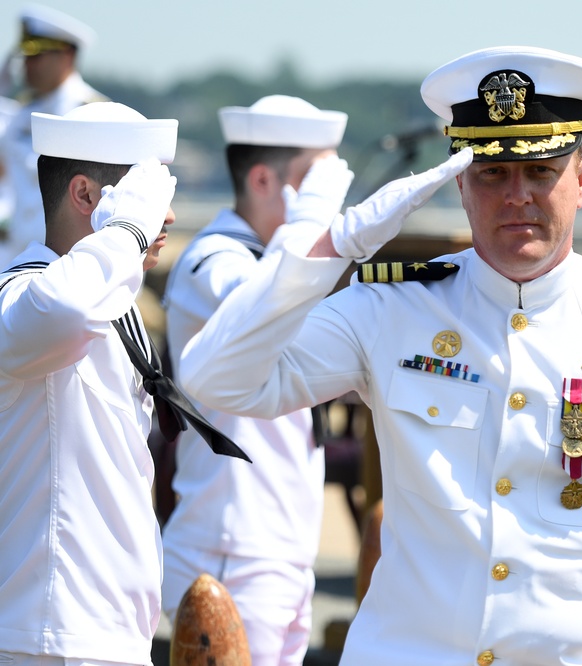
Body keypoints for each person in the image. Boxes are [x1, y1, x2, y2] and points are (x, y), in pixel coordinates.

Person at [180, 45, 582, 665]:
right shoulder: (390, 308)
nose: (516, 196)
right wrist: (325, 248)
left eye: (540, 171)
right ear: (460, 185)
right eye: (491, 174)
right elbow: (214, 379)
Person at [160, 94, 352, 665]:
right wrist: (311, 239)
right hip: (232, 550)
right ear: (265, 180)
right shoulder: (214, 259)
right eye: (314, 179)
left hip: (279, 547)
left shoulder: (275, 262)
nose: (328, 197)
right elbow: (258, 305)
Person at [0, 102, 179, 664]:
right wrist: (127, 229)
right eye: (147, 201)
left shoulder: (110, 302)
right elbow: (61, 311)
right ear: (85, 197)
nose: (165, 219)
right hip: (51, 633)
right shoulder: (22, 295)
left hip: (105, 631)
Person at [0, 4, 106, 268]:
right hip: (14, 259)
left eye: (37, 56)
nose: (27, 64)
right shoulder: (21, 114)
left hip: (64, 266)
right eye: (25, 56)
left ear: (67, 56)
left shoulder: (93, 114)